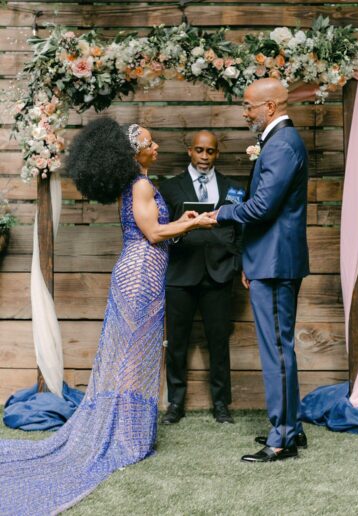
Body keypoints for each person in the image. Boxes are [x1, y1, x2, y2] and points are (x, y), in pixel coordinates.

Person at [0, 117, 216, 514]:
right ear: (136, 152)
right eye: (150, 143)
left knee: (133, 355)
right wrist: (197, 221)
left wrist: (181, 225)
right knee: (134, 355)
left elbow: (154, 229)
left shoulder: (132, 185)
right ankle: (126, 438)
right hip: (140, 275)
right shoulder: (142, 184)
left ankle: (126, 432)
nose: (156, 147)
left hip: (139, 271)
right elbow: (152, 235)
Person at [211, 78, 309, 462]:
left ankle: (282, 437)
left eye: (249, 105)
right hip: (269, 259)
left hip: (276, 262)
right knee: (280, 348)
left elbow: (260, 208)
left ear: (269, 107)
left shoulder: (282, 144)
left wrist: (218, 215)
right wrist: (249, 259)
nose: (245, 111)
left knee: (277, 352)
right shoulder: (280, 141)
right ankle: (293, 427)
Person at [159, 130, 243, 425]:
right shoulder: (169, 188)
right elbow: (162, 230)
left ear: (217, 153)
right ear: (189, 152)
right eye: (199, 150)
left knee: (219, 342)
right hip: (180, 274)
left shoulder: (234, 188)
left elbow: (240, 233)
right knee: (177, 342)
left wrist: (238, 264)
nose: (205, 157)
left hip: (219, 275)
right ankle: (175, 403)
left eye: (210, 151)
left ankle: (222, 404)